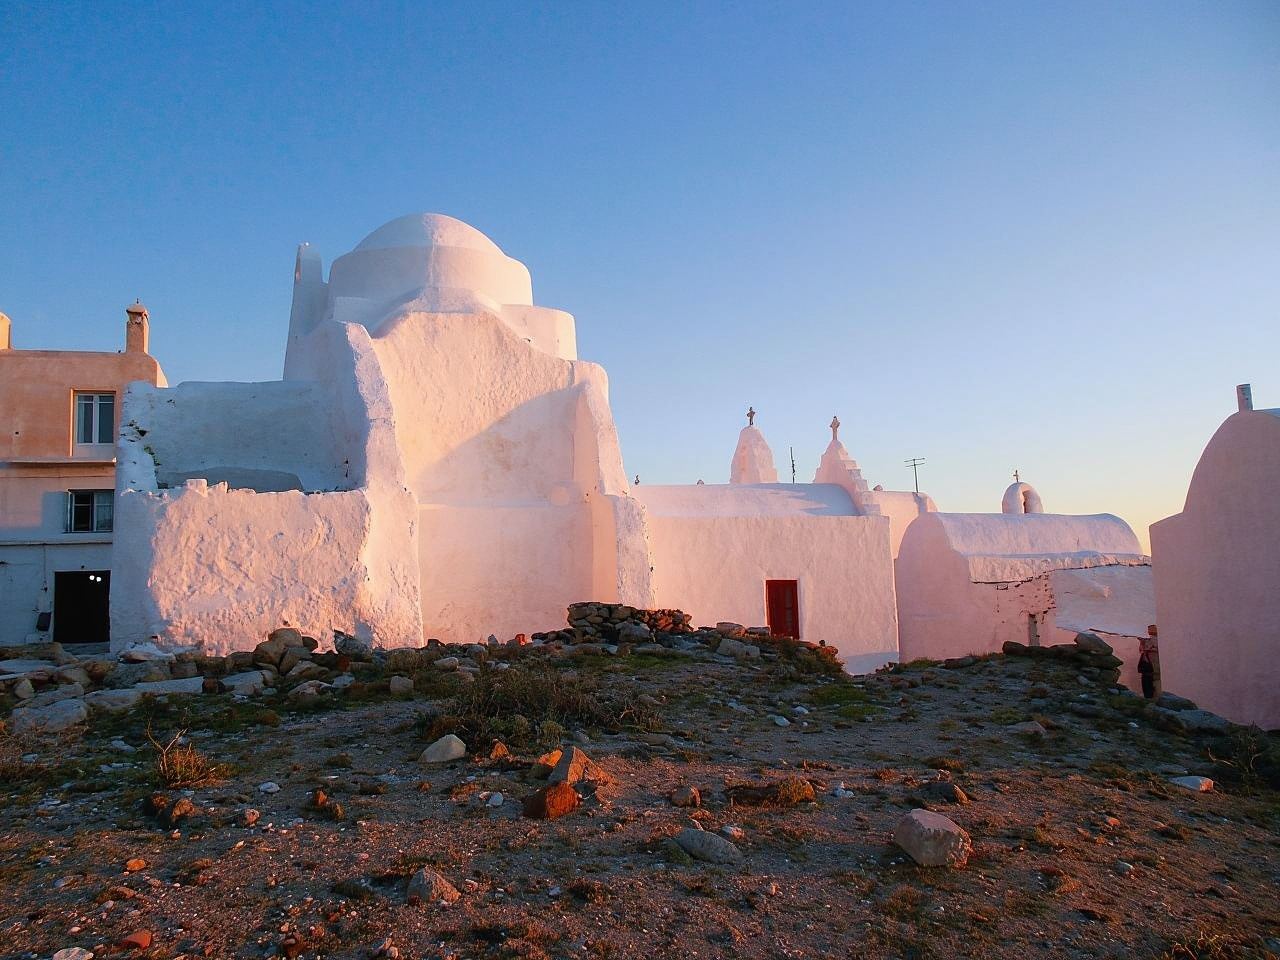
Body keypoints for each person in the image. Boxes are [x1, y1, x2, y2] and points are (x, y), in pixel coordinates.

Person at [1138, 624, 1158, 699]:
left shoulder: (1154, 640)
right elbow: (1141, 650)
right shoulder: (1147, 640)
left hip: (1152, 670)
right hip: (1148, 670)